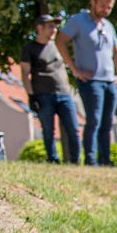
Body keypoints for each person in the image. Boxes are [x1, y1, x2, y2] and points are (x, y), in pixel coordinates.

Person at [57, 0, 117, 166]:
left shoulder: (108, 26)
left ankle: (105, 160)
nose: (105, 10)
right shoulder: (78, 21)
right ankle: (90, 158)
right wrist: (74, 68)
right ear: (93, 2)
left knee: (107, 122)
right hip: (90, 80)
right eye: (102, 5)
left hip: (109, 81)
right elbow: (60, 40)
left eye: (109, 7)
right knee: (94, 119)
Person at [18, 14, 78, 164]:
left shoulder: (58, 46)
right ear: (40, 28)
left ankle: (75, 160)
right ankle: (53, 159)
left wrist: (68, 90)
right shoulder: (30, 48)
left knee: (73, 129)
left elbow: (63, 68)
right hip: (43, 94)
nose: (54, 30)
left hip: (63, 93)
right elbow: (25, 73)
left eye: (55, 27)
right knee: (48, 130)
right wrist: (31, 96)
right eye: (51, 26)